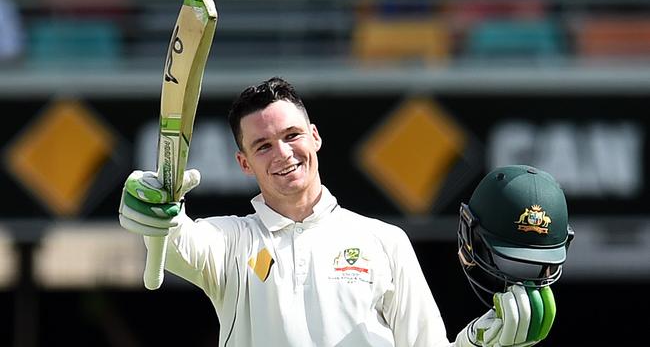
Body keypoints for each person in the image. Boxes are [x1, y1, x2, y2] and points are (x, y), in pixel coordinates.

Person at [118, 77, 568, 346]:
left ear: (315, 136)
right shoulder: (230, 241)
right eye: (263, 145)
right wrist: (153, 205)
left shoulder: (383, 241)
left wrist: (477, 341)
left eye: (292, 135)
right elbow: (176, 238)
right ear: (244, 162)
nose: (283, 153)